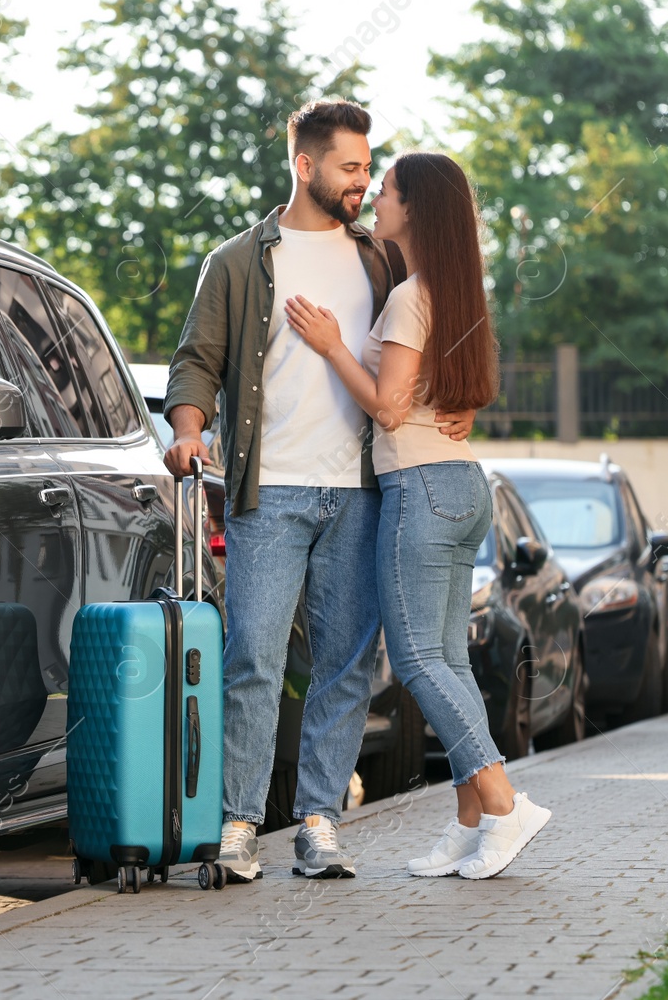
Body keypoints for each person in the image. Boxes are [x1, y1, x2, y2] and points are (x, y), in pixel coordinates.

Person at [164, 100, 475, 881]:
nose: (364, 183)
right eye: (350, 168)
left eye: (369, 170)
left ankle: (318, 821)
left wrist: (460, 396)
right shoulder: (239, 261)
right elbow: (197, 358)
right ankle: (238, 823)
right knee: (255, 657)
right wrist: (189, 428)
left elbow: (438, 328)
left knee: (345, 664)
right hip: (270, 492)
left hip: (365, 492)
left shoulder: (381, 260)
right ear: (305, 166)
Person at [284, 151, 552, 879]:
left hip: (422, 490)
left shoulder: (409, 299)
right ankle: (470, 824)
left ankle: (502, 800)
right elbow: (461, 389)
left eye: (389, 191)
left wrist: (335, 346)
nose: (376, 198)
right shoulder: (451, 293)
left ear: (417, 209)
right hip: (463, 488)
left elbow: (391, 406)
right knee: (451, 660)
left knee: (417, 661)